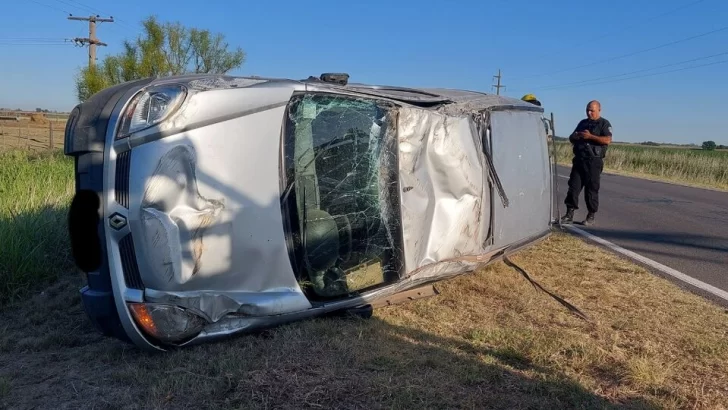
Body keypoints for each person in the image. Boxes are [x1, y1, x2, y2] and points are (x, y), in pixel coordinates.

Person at [561, 100, 612, 226]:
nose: (589, 113)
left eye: (592, 111)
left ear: (599, 110)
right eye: (587, 110)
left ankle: (591, 215)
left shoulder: (604, 124)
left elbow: (607, 140)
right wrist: (577, 136)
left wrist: (591, 137)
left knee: (591, 189)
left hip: (593, 161)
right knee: (573, 187)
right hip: (579, 160)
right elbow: (571, 137)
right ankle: (569, 214)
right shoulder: (582, 123)